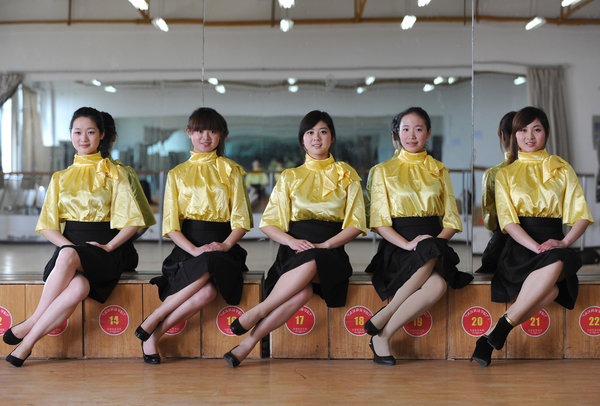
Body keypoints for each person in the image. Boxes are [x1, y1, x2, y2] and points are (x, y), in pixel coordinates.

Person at [4, 107, 146, 367]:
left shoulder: (116, 174)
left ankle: (32, 321)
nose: (84, 138)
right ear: (70, 135)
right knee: (79, 287)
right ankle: (27, 344)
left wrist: (108, 246)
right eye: (78, 132)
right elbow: (47, 226)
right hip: (70, 250)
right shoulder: (60, 177)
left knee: (70, 258)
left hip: (105, 251)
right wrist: (71, 249)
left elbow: (133, 224)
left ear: (102, 135)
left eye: (91, 132)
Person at [223, 110, 366, 367]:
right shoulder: (290, 176)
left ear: (332, 137)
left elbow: (356, 223)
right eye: (310, 132)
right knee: (302, 294)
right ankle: (247, 344)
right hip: (294, 251)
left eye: (323, 132)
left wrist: (326, 245)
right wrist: (291, 242)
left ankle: (259, 310)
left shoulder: (347, 174)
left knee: (313, 259)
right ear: (302, 139)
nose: (316, 138)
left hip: (331, 253)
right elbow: (268, 223)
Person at [470, 106, 593, 367]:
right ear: (513, 135)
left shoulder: (562, 168)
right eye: (522, 130)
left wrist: (564, 241)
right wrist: (536, 246)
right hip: (519, 246)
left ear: (546, 133)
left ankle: (496, 331)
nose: (529, 136)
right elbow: (508, 222)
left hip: (554, 243)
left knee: (559, 258)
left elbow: (581, 215)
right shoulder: (505, 173)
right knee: (550, 292)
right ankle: (495, 334)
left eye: (536, 129)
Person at [135, 107, 252, 364]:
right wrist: (196, 251)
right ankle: (153, 336)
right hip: (188, 248)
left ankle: (154, 321)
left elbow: (242, 220)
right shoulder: (177, 174)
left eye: (212, 130)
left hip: (224, 247)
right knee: (207, 293)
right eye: (199, 130)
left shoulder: (232, 170)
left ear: (222, 135)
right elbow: (171, 226)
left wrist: (224, 245)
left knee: (211, 261)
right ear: (189, 133)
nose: (205, 136)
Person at [364, 107, 473, 366]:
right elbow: (378, 221)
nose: (412, 135)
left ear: (428, 133)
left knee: (434, 269)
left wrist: (432, 242)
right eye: (405, 129)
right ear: (396, 134)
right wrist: (407, 243)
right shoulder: (382, 170)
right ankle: (384, 323)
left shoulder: (439, 169)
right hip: (397, 245)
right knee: (437, 284)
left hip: (434, 246)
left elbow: (451, 221)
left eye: (418, 129)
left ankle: (384, 330)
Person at [101, 111, 156, 269]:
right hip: (120, 254)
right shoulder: (125, 173)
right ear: (114, 137)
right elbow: (143, 222)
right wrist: (119, 243)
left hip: (77, 253)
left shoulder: (69, 175)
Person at [475, 111, 516, 273]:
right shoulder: (547, 170)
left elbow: (490, 221)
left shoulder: (494, 174)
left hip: (504, 242)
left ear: (502, 135)